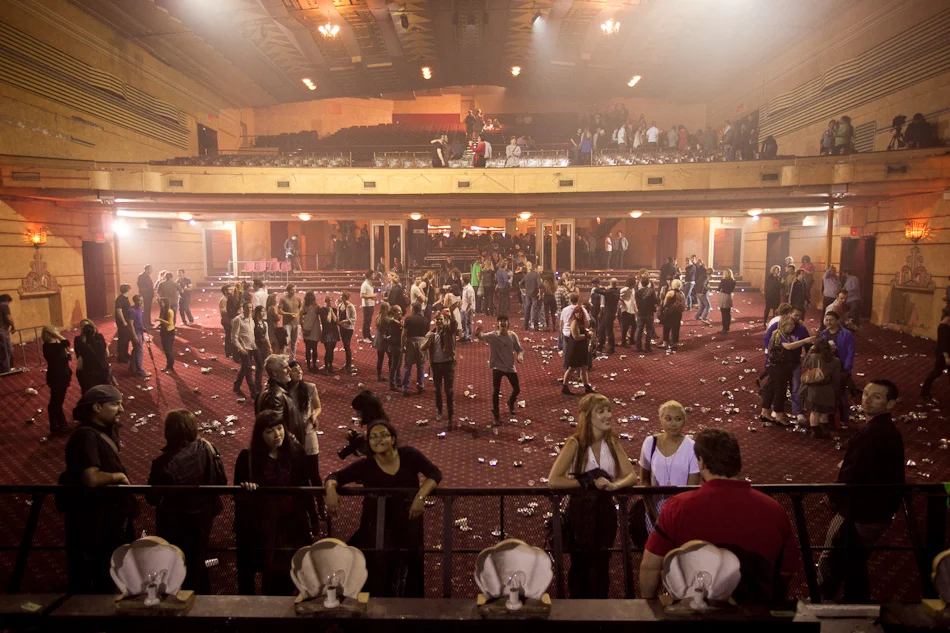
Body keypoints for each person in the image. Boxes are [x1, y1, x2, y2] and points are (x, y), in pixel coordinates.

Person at [639, 428, 798, 602]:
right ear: (738, 462)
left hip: (693, 611)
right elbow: (786, 572)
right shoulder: (774, 509)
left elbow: (650, 567)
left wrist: (649, 606)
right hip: (756, 611)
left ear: (701, 463)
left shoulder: (677, 507)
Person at [326, 419, 441, 597]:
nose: (378, 440)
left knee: (408, 570)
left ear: (393, 439)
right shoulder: (366, 466)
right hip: (377, 528)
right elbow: (334, 477)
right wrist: (330, 491)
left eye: (383, 435)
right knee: (380, 572)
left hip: (408, 524)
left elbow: (435, 473)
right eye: (373, 437)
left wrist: (420, 497)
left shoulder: (409, 455)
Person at [819, 379, 904, 603]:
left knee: (833, 555)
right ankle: (851, 601)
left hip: (859, 510)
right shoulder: (886, 430)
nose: (867, 399)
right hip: (877, 509)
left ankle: (823, 598)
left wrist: (833, 497)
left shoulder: (871, 434)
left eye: (877, 397)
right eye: (866, 394)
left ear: (890, 404)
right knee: (853, 560)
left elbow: (852, 474)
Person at [548, 394, 637, 598]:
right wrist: (586, 482)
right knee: (580, 563)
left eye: (609, 410)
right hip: (580, 511)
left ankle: (601, 608)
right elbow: (554, 480)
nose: (608, 415)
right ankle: (578, 609)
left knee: (603, 562)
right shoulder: (575, 443)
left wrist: (613, 486)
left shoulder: (612, 442)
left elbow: (631, 476)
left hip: (605, 511)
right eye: (601, 411)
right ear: (587, 417)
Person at [63, 385, 136, 594]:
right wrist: (118, 477)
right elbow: (91, 478)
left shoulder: (99, 432)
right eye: (115, 404)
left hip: (106, 517)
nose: (121, 409)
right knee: (100, 572)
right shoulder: (86, 436)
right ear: (96, 407)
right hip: (96, 520)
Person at [234, 410, 315, 595]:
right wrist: (247, 487)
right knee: (270, 572)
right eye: (269, 431)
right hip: (264, 525)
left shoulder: (295, 451)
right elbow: (238, 491)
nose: (277, 434)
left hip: (292, 523)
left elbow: (305, 486)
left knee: (295, 570)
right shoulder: (248, 457)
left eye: (279, 428)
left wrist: (313, 516)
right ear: (260, 434)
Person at [146, 410, 227, 593]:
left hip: (174, 522)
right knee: (197, 561)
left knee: (175, 565)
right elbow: (221, 481)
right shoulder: (207, 448)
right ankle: (202, 598)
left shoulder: (163, 463)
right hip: (204, 516)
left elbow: (151, 497)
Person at [638, 401, 701, 535]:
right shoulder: (650, 443)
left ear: (684, 420)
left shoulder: (692, 447)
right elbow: (644, 480)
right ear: (660, 419)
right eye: (668, 419)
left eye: (678, 419)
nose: (673, 424)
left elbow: (692, 488)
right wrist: (651, 512)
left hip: (682, 510)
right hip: (654, 508)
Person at [760, 316, 816, 427]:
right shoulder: (779, 334)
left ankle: (765, 412)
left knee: (771, 389)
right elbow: (788, 347)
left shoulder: (782, 334)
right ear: (784, 324)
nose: (793, 326)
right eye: (791, 324)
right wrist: (805, 341)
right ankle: (779, 416)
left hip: (776, 366)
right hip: (779, 367)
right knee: (780, 391)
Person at [287, 360, 324, 515]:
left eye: (300, 370)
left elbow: (318, 407)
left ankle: (321, 503)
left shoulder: (309, 387)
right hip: (291, 434)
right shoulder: (284, 391)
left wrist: (314, 416)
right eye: (295, 370)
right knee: (298, 472)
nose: (299, 372)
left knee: (314, 472)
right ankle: (307, 508)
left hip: (308, 431)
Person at [475, 315, 524, 427]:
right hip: (497, 367)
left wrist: (520, 356)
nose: (503, 323)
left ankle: (510, 402)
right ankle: (496, 415)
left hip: (509, 367)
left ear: (508, 324)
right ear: (497, 324)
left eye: (505, 321)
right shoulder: (493, 336)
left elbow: (519, 349)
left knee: (517, 389)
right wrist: (477, 332)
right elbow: (481, 336)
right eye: (500, 321)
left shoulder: (513, 336)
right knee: (496, 391)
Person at [256, 354, 305, 446]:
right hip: (287, 448)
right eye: (285, 368)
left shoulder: (273, 389)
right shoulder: (274, 397)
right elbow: (277, 427)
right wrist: (296, 446)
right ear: (275, 373)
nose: (290, 370)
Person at [421, 309, 458, 429]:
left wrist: (452, 312)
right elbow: (422, 347)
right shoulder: (431, 334)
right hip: (436, 365)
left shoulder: (448, 331)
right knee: (437, 390)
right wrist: (428, 339)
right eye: (437, 319)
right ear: (435, 320)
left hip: (448, 364)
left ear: (444, 320)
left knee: (449, 391)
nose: (439, 321)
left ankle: (450, 415)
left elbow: (454, 325)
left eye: (441, 319)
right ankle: (440, 411)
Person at [819, 311, 856, 428]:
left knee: (841, 395)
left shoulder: (846, 334)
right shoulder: (823, 334)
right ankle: (830, 420)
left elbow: (850, 352)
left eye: (831, 320)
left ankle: (844, 419)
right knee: (828, 395)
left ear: (837, 321)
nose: (828, 322)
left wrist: (847, 369)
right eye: (826, 320)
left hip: (841, 368)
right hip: (827, 368)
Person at [798, 339, 841, 438]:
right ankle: (824, 430)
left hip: (813, 389)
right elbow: (836, 378)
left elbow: (805, 363)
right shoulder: (836, 361)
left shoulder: (813, 357)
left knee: (814, 412)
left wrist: (810, 350)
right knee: (824, 412)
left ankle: (816, 432)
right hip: (827, 389)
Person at [42, 325, 72, 434]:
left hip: (61, 374)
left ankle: (54, 424)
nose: (58, 332)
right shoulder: (49, 346)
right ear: (51, 333)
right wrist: (58, 335)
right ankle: (62, 425)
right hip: (57, 376)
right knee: (57, 401)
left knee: (56, 400)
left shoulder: (56, 345)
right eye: (56, 331)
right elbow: (66, 342)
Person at [562, 305, 594, 395]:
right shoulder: (574, 322)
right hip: (575, 347)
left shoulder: (581, 322)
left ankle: (587, 387)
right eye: (576, 313)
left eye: (579, 313)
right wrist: (587, 335)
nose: (578, 314)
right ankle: (565, 387)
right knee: (571, 368)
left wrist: (588, 333)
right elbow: (576, 336)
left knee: (584, 367)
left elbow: (583, 331)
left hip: (582, 346)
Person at [921, 307, 950, 402]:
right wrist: (947, 357)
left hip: (946, 352)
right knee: (937, 372)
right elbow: (943, 344)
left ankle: (924, 392)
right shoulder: (944, 326)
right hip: (943, 354)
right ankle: (924, 392)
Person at [74, 320, 112, 394]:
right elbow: (78, 356)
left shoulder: (98, 337)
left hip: (97, 368)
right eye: (82, 326)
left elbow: (106, 353)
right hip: (92, 369)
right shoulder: (79, 339)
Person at [231, 300, 258, 399]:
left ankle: (236, 385)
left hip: (252, 347)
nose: (249, 309)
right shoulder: (238, 320)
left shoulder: (251, 318)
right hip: (244, 349)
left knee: (244, 368)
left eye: (251, 307)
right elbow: (234, 337)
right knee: (249, 370)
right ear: (243, 308)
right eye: (247, 308)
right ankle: (253, 392)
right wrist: (241, 349)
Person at [402, 302, 428, 396]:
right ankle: (421, 386)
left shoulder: (408, 319)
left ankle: (406, 388)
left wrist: (402, 345)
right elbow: (427, 334)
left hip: (410, 342)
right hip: (422, 342)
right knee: (421, 366)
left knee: (408, 365)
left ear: (413, 309)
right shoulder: (425, 319)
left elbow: (404, 333)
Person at [593, 278, 620, 354]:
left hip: (608, 314)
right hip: (612, 313)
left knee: (606, 331)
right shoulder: (617, 291)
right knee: (605, 330)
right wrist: (606, 288)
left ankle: (609, 348)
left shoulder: (609, 292)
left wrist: (603, 288)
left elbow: (596, 290)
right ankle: (604, 346)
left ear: (610, 283)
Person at [659, 279, 685, 351]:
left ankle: (665, 343)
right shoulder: (682, 293)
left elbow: (664, 303)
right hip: (678, 313)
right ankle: (674, 343)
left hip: (670, 313)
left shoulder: (670, 292)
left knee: (666, 328)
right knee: (676, 328)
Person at [634, 276, 657, 352]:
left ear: (641, 283)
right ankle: (647, 347)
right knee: (649, 330)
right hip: (649, 312)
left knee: (639, 330)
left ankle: (638, 346)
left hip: (640, 312)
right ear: (648, 283)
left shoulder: (637, 292)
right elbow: (655, 301)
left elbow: (636, 302)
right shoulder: (651, 291)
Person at [300, 291, 321, 373]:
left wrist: (303, 327)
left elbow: (300, 319)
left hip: (306, 329)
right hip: (314, 330)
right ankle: (314, 365)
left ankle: (308, 366)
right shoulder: (316, 307)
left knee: (307, 349)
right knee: (314, 348)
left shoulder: (303, 306)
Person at [252, 305, 270, 394]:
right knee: (260, 366)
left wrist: (270, 347)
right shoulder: (253, 323)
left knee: (266, 365)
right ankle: (257, 385)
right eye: (261, 311)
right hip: (256, 346)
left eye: (264, 311)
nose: (263, 313)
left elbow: (267, 336)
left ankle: (268, 384)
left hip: (264, 346)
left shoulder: (265, 323)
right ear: (257, 312)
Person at [279, 284, 301, 359]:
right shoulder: (283, 299)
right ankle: (283, 358)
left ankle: (292, 358)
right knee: (286, 341)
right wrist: (289, 314)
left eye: (295, 289)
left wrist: (297, 314)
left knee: (294, 343)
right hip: (287, 323)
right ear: (288, 290)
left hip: (296, 323)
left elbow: (300, 309)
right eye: (292, 290)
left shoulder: (298, 299)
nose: (294, 291)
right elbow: (279, 311)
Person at [113, 284, 134, 363]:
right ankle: (121, 357)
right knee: (123, 339)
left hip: (126, 321)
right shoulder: (120, 299)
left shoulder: (125, 298)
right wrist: (123, 321)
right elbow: (119, 311)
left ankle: (125, 354)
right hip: (122, 322)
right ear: (127, 289)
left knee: (126, 338)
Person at [338, 291, 357, 372]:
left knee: (347, 345)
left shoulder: (350, 306)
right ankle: (347, 364)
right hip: (342, 327)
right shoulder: (340, 305)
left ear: (345, 297)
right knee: (345, 346)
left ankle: (348, 365)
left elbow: (354, 319)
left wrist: (344, 321)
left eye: (342, 296)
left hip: (348, 328)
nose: (340, 297)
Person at [386, 304, 403, 390]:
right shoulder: (392, 322)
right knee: (394, 365)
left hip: (399, 345)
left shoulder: (398, 321)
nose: (401, 312)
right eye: (399, 311)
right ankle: (392, 384)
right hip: (395, 345)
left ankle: (398, 380)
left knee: (398, 365)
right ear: (394, 312)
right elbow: (394, 335)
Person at [156, 297, 176, 373]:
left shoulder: (169, 311)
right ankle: (168, 366)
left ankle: (170, 367)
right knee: (166, 350)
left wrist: (159, 320)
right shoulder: (163, 310)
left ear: (165, 303)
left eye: (161, 303)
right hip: (164, 331)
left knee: (169, 350)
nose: (160, 304)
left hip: (169, 332)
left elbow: (169, 323)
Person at [360, 271, 379, 344]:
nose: (374, 275)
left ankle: (368, 335)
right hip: (367, 305)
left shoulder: (370, 283)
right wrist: (373, 296)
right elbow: (362, 295)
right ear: (370, 275)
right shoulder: (364, 284)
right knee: (366, 322)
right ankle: (365, 337)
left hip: (371, 304)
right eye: (373, 274)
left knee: (369, 321)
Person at [619, 277, 638, 346]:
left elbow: (634, 300)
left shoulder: (633, 290)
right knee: (625, 327)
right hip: (625, 310)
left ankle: (631, 339)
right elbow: (618, 296)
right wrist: (623, 301)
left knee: (634, 325)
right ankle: (623, 342)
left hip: (631, 310)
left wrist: (635, 309)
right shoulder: (624, 289)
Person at [460, 274, 475, 341]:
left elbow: (470, 301)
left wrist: (466, 310)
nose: (461, 281)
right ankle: (464, 336)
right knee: (463, 322)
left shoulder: (469, 289)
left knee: (468, 323)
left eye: (462, 279)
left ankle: (469, 337)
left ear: (464, 280)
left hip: (468, 309)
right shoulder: (465, 288)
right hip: (464, 308)